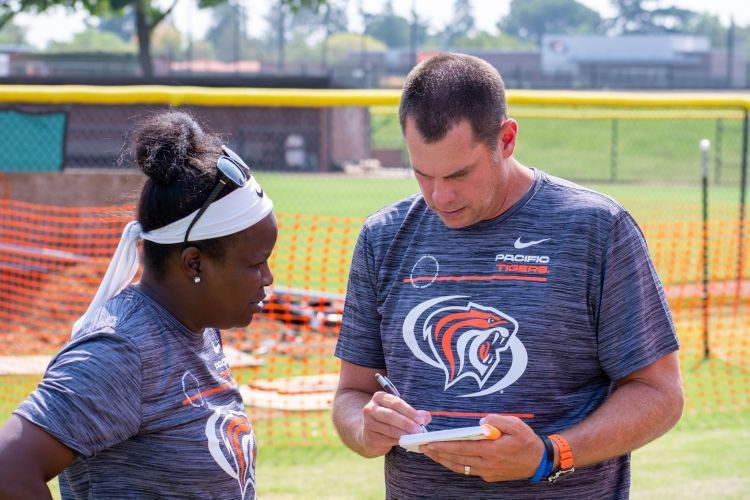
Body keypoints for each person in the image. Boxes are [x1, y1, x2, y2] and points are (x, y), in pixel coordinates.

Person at [332, 53, 683, 499]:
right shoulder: (383, 236)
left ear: (507, 139)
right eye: (423, 174)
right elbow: (352, 394)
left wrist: (550, 454)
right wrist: (365, 428)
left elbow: (660, 393)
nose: (441, 196)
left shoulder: (596, 228)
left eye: (459, 174)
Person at [0, 111, 276, 499]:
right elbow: (9, 469)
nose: (268, 278)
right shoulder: (123, 350)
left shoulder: (196, 327)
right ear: (194, 263)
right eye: (256, 263)